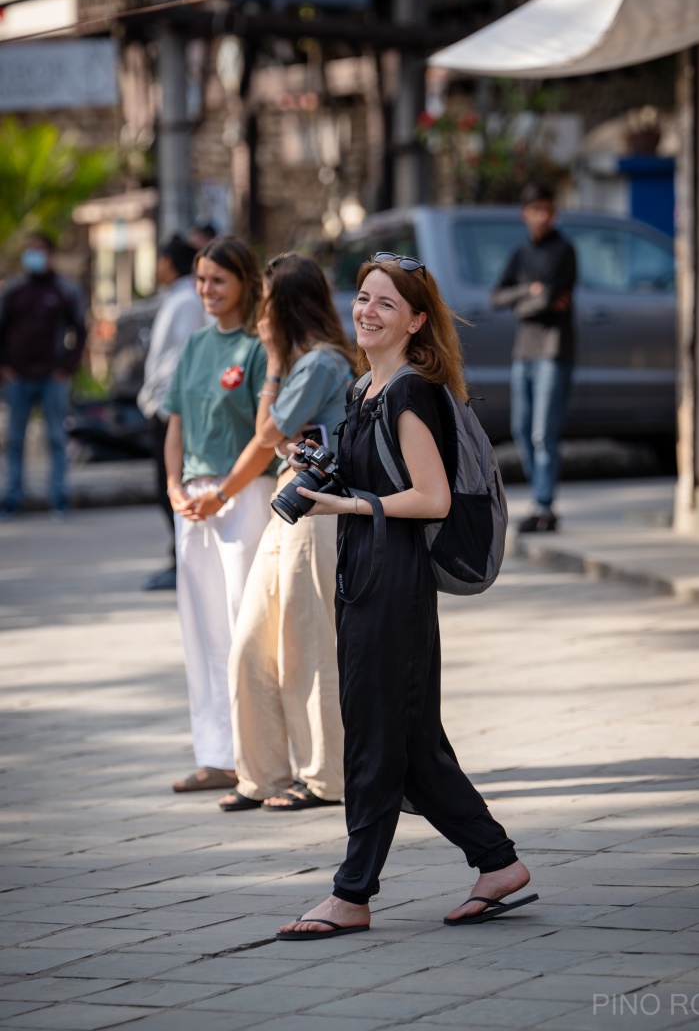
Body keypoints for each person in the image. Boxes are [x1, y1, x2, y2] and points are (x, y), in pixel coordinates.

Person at [276, 252, 533, 940]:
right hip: (366, 575)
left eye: (386, 303)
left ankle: (352, 894)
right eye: (362, 298)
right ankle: (497, 863)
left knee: (373, 740)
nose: (367, 311)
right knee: (413, 742)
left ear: (417, 320)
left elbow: (431, 498)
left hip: (394, 582)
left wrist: (339, 505)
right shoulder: (365, 389)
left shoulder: (411, 392)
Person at [220, 254, 353, 814]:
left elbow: (268, 428)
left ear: (288, 305)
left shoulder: (322, 362)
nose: (260, 310)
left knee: (309, 643)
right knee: (252, 642)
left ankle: (326, 777)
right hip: (288, 501)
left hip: (315, 509)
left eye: (268, 299)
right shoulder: (306, 363)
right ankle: (263, 772)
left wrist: (273, 360)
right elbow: (274, 432)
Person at [163, 237, 275, 793]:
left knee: (242, 624)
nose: (207, 290)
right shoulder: (195, 345)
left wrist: (224, 492)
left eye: (218, 281)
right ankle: (215, 753)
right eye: (201, 280)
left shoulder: (258, 348)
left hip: (243, 495)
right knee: (200, 625)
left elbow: (264, 435)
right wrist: (172, 486)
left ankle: (256, 756)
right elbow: (176, 422)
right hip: (193, 498)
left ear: (244, 283)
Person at [491, 183, 576, 533]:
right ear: (524, 213)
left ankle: (544, 506)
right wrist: (529, 291)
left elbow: (549, 301)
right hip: (524, 351)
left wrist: (525, 304)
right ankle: (540, 499)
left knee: (544, 433)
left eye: (548, 209)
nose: (543, 216)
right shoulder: (521, 254)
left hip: (553, 351)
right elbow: (496, 297)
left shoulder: (564, 251)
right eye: (536, 209)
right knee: (521, 430)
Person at [137, 235, 208, 591]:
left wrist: (164, 406)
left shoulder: (185, 301)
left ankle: (181, 561)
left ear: (170, 262)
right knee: (166, 486)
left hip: (170, 408)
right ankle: (178, 558)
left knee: (171, 486)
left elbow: (178, 359)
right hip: (165, 405)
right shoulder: (179, 297)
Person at [0, 232, 86, 518]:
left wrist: (66, 367)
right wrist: (5, 366)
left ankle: (59, 498)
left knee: (56, 438)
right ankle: (12, 498)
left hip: (52, 377)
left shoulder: (64, 290)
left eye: (39, 250)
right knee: (15, 440)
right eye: (30, 250)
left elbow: (80, 331)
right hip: (18, 378)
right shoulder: (14, 291)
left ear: (50, 254)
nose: (33, 256)